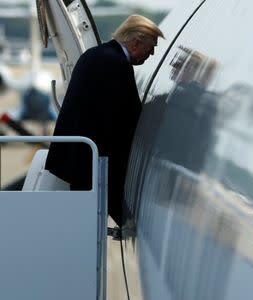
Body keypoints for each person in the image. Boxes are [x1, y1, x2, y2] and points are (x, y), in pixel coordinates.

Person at [45, 15, 164, 226]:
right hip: (88, 161)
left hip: (75, 157)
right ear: (136, 42)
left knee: (84, 221)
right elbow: (130, 116)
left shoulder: (95, 54)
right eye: (151, 47)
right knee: (90, 223)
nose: (152, 54)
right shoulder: (117, 64)